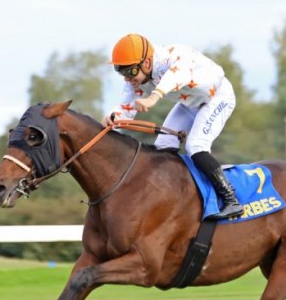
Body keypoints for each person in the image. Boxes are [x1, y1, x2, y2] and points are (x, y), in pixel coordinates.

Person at [102, 33, 243, 219]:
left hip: (217, 98)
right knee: (163, 145)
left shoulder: (171, 56)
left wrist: (154, 97)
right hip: (190, 103)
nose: (128, 79)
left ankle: (231, 199)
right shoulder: (136, 78)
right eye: (122, 73)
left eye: (131, 72)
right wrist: (112, 118)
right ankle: (175, 195)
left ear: (146, 63)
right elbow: (125, 108)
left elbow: (178, 75)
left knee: (195, 146)